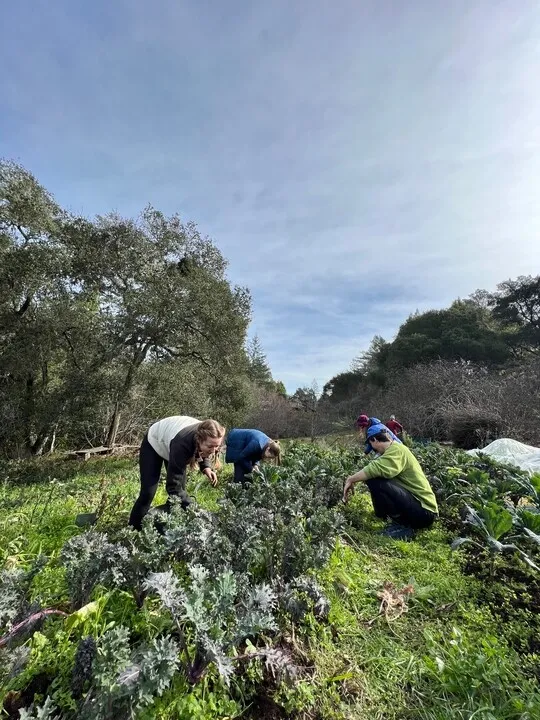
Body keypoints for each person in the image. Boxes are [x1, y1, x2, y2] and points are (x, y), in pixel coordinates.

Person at [129, 416, 225, 530]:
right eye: (210, 446)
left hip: (172, 440)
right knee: (148, 493)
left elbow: (205, 451)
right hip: (155, 442)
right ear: (199, 440)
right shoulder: (182, 444)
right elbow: (173, 488)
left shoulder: (209, 434)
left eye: (217, 446)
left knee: (180, 495)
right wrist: (195, 509)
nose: (214, 450)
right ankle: (133, 529)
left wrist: (206, 467)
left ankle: (170, 528)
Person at [343, 426, 438, 540]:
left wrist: (350, 479)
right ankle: (387, 517)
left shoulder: (397, 450)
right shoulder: (395, 449)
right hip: (419, 508)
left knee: (374, 480)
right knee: (375, 479)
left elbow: (374, 469)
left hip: (424, 512)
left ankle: (402, 526)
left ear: (375, 440)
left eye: (371, 445)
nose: (373, 450)